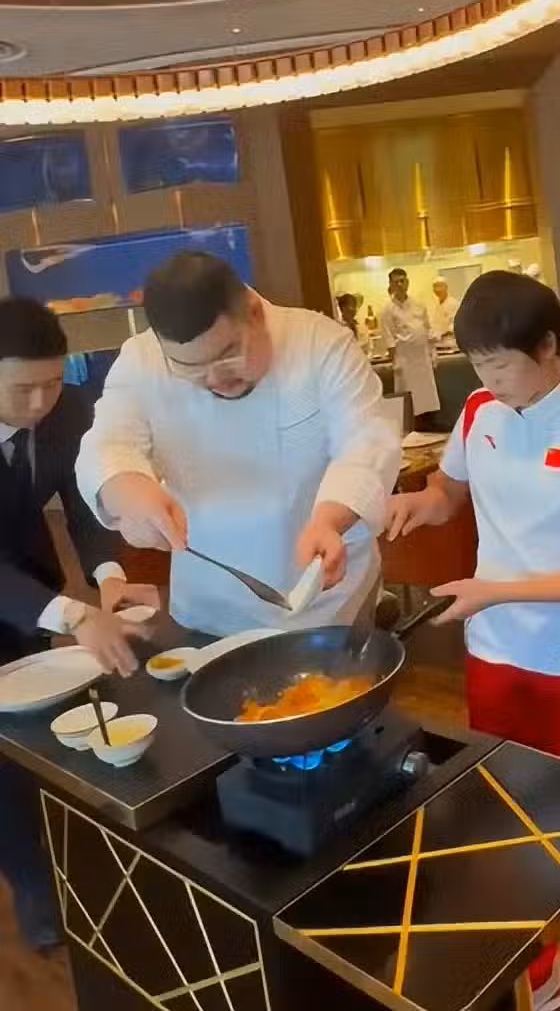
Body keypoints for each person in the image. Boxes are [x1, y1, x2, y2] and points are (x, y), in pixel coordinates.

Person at [386, 271, 560, 1011]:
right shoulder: (480, 410)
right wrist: (417, 504)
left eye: (501, 365)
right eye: (478, 365)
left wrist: (497, 589)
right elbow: (450, 493)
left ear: (548, 346)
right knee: (507, 821)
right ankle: (537, 969)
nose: (488, 381)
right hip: (494, 654)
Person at [76, 251, 401, 639]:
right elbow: (108, 443)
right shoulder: (140, 360)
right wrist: (129, 492)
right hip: (210, 607)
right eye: (191, 369)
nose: (216, 379)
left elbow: (366, 441)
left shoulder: (321, 343)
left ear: (255, 313)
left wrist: (330, 520)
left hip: (329, 602)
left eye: (228, 355)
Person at [0, 298, 156, 949]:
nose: (40, 402)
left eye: (51, 383)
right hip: (23, 592)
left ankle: (74, 862)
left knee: (38, 733)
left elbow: (84, 504)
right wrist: (72, 613)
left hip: (29, 589)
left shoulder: (66, 410)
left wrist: (109, 580)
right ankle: (34, 888)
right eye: (22, 389)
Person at [380, 268, 440, 426]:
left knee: (427, 397)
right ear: (391, 284)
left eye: (402, 281)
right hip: (404, 360)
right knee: (410, 400)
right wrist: (395, 360)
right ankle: (413, 431)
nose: (400, 284)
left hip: (422, 358)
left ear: (407, 282)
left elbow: (427, 328)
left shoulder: (418, 304)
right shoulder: (387, 309)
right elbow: (388, 336)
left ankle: (429, 429)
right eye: (396, 282)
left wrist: (433, 351)